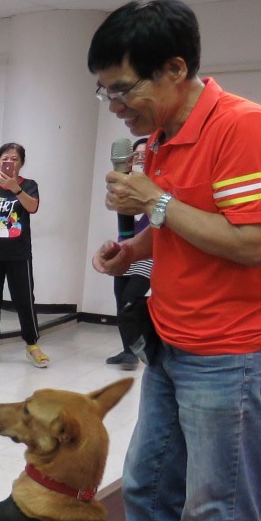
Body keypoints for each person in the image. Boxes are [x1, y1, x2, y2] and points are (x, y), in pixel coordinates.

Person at [89, 0, 261, 521]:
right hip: (174, 341)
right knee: (146, 483)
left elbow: (253, 241)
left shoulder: (243, 127)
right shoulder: (162, 136)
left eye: (123, 87)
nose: (114, 103)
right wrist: (135, 247)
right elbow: (181, 227)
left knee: (217, 507)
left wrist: (161, 204)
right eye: (105, 88)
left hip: (233, 352)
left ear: (175, 68)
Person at [0, 142, 46, 368]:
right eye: (4, 158)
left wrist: (16, 189)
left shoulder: (29, 185)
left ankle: (32, 344)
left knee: (24, 299)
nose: (8, 162)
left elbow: (32, 207)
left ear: (21, 163)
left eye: (14, 158)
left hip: (18, 253)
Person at [105, 137, 153, 371]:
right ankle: (128, 352)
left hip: (148, 254)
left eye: (145, 152)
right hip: (125, 248)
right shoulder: (125, 182)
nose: (140, 156)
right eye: (137, 153)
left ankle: (142, 347)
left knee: (130, 301)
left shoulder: (155, 183)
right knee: (120, 302)